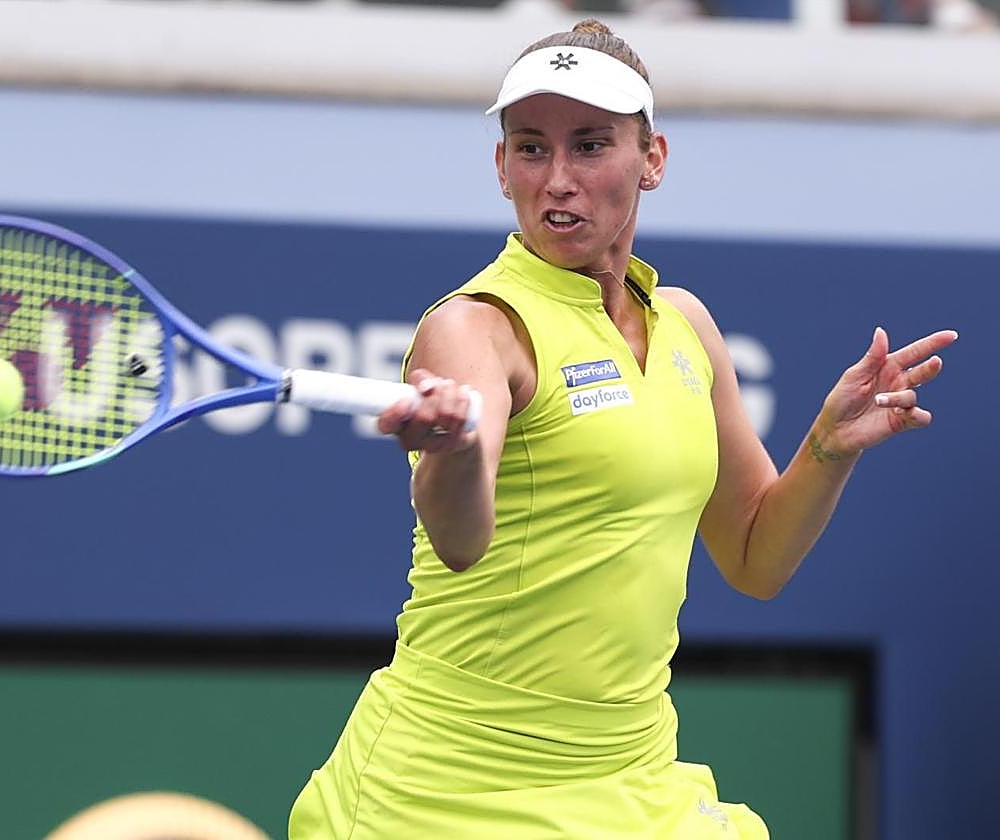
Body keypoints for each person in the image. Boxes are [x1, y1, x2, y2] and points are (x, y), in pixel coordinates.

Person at [289, 19, 956, 839]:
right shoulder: (476, 327)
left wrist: (824, 449)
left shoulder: (686, 328)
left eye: (591, 145)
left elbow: (754, 558)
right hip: (454, 785)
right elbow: (459, 538)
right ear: (502, 168)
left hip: (633, 776)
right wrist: (454, 453)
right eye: (531, 148)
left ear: (653, 159)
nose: (559, 179)